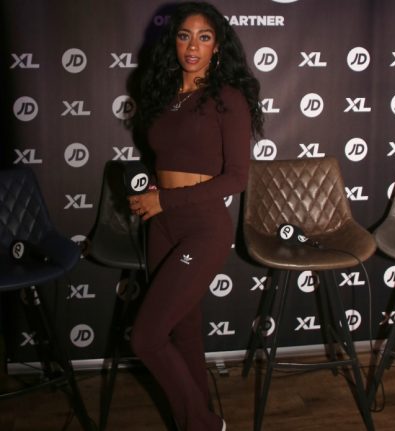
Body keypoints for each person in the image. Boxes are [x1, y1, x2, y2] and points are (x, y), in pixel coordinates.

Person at [128, 2, 264, 430]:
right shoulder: (164, 95)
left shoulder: (228, 99)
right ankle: (198, 418)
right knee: (183, 331)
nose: (192, 46)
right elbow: (169, 157)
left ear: (217, 47)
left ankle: (205, 426)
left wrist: (168, 201)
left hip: (202, 227)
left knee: (146, 338)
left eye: (204, 38)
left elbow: (236, 179)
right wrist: (157, 189)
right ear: (174, 41)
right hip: (162, 224)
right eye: (185, 35)